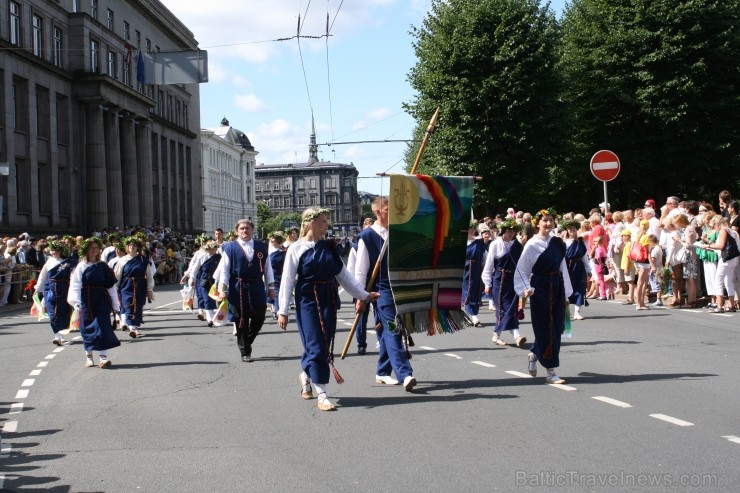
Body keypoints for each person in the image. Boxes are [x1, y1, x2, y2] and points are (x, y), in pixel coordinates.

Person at [277, 207, 378, 411]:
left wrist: (364, 295)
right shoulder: (296, 249)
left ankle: (306, 374)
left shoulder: (329, 247)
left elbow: (344, 276)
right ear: (311, 223)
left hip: (328, 299)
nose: (326, 225)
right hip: (307, 299)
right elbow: (287, 281)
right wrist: (283, 310)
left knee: (323, 343)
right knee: (315, 345)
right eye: (323, 221)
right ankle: (322, 394)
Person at [354, 197, 417, 393]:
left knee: (385, 330)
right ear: (378, 212)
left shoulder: (398, 233)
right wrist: (360, 296)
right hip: (382, 291)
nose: (394, 213)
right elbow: (360, 270)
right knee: (393, 329)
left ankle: (382, 371)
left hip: (401, 288)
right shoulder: (367, 236)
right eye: (389, 209)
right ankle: (405, 373)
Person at [514, 209, 573, 385]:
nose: (548, 224)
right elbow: (522, 270)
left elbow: (563, 268)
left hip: (557, 287)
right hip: (540, 289)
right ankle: (551, 371)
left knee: (556, 328)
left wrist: (567, 294)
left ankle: (534, 353)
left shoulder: (557, 243)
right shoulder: (531, 245)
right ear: (537, 224)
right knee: (544, 328)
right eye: (545, 221)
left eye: (551, 220)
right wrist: (525, 289)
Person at [216, 219, 274, 362]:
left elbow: (268, 268)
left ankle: (247, 340)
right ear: (237, 231)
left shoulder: (261, 247)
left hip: (256, 286)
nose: (244, 231)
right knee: (241, 320)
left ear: (252, 230)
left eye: (247, 228)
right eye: (241, 228)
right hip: (238, 287)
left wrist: (271, 287)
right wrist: (222, 289)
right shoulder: (230, 248)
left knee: (259, 316)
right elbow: (224, 270)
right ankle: (245, 352)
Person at [67, 237, 121, 368]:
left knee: (102, 326)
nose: (94, 250)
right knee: (87, 328)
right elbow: (75, 285)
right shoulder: (81, 266)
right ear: (86, 250)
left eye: (96, 247)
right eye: (91, 248)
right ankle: (89, 357)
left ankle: (103, 358)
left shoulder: (103, 266)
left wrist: (115, 304)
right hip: (87, 300)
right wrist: (77, 302)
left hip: (101, 299)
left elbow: (111, 286)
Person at [482, 217, 526, 345]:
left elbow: (522, 265)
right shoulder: (496, 244)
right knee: (503, 308)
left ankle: (496, 335)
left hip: (514, 280)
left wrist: (525, 282)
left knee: (511, 307)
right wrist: (487, 283)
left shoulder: (517, 245)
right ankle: (516, 335)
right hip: (500, 280)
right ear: (503, 231)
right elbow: (489, 264)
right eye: (508, 231)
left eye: (513, 231)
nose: (511, 233)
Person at [35, 241, 77, 345]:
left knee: (62, 312)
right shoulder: (49, 261)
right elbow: (43, 276)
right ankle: (57, 335)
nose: (53, 252)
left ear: (61, 251)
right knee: (52, 312)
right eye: (52, 250)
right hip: (49, 289)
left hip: (63, 290)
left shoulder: (69, 262)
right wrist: (38, 289)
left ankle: (61, 335)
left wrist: (74, 288)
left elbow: (73, 276)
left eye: (56, 250)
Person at [114, 236, 155, 338]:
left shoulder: (143, 260)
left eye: (134, 245)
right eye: (130, 245)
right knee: (128, 304)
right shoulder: (122, 260)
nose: (132, 247)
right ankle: (132, 327)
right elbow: (118, 274)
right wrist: (115, 288)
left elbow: (149, 276)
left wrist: (149, 289)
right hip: (126, 285)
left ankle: (133, 326)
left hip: (140, 285)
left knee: (137, 305)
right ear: (127, 247)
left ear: (138, 247)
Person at [562, 219, 590, 321]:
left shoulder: (580, 242)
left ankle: (577, 312)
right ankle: (566, 311)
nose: (572, 230)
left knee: (580, 288)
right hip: (566, 267)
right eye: (570, 229)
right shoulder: (563, 242)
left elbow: (584, 257)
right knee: (566, 289)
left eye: (573, 228)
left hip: (578, 268)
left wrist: (588, 270)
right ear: (567, 230)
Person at [189, 240, 222, 327]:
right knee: (206, 298)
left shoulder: (219, 257)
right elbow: (195, 269)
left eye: (214, 248)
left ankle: (213, 315)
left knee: (214, 298)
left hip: (215, 280)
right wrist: (192, 279)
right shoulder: (202, 257)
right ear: (207, 249)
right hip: (204, 280)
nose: (212, 250)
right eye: (211, 248)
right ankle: (210, 319)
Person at [462, 220, 488, 326]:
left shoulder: (478, 243)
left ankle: (472, 314)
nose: (472, 231)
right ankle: (473, 315)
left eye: (473, 229)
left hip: (476, 270)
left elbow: (486, 257)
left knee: (474, 291)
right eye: (469, 229)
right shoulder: (461, 242)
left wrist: (484, 269)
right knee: (467, 292)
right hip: (464, 271)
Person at [268, 232, 287, 320]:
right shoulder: (269, 251)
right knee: (276, 293)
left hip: (281, 274)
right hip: (272, 275)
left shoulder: (283, 251)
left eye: (274, 240)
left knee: (281, 294)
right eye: (271, 240)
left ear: (278, 241)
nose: (272, 242)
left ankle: (277, 309)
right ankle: (277, 311)